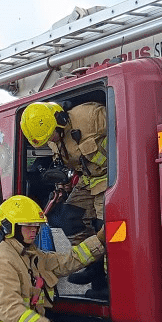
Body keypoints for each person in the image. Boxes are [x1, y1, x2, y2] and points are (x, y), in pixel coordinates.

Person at [20, 100, 108, 298]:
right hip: (89, 180)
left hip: (112, 177)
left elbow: (131, 129)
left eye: (51, 135)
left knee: (108, 228)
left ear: (60, 120)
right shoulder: (51, 138)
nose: (52, 140)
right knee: (69, 218)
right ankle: (95, 271)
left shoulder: (91, 116)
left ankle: (112, 282)